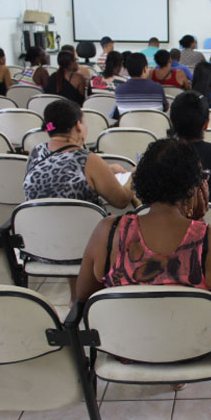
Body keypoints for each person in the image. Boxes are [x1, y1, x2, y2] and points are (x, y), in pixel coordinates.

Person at [75, 138, 211, 303]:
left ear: (141, 180)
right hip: (193, 331)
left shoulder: (108, 232)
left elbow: (83, 293)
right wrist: (199, 223)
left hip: (126, 330)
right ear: (193, 187)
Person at [24, 100, 136, 301]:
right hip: (84, 250)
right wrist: (132, 178)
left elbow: (57, 180)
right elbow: (121, 199)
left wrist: (105, 171)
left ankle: (75, 299)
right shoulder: (87, 159)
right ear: (77, 125)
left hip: (41, 246)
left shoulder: (36, 153)